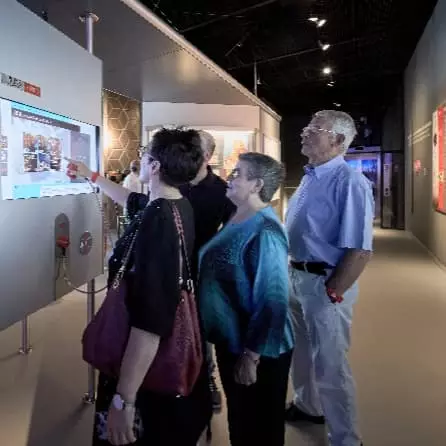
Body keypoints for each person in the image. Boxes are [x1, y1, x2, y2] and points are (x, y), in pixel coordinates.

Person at [67, 128, 212, 446]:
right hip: (150, 363)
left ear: (155, 166)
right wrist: (91, 175)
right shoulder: (175, 205)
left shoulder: (158, 220)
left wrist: (124, 400)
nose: (140, 158)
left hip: (144, 371)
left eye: (145, 153)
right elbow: (132, 200)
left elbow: (150, 321)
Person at [285, 110, 374, 446]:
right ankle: (308, 406)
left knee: (330, 362)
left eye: (315, 128)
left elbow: (360, 249)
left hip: (323, 283)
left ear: (338, 140)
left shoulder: (349, 182)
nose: (304, 131)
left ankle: (346, 437)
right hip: (297, 277)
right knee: (302, 351)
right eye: (307, 125)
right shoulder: (311, 176)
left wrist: (333, 291)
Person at [198, 152, 294, 446]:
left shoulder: (266, 231)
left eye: (238, 173)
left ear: (257, 185)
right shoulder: (238, 216)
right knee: (241, 422)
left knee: (258, 429)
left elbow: (273, 299)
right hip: (232, 340)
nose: (229, 177)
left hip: (258, 351)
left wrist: (251, 356)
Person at [180, 130, 236, 412]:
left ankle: (206, 379)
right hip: (170, 268)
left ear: (207, 155)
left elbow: (233, 232)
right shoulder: (174, 181)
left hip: (203, 273)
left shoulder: (222, 191)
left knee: (201, 327)